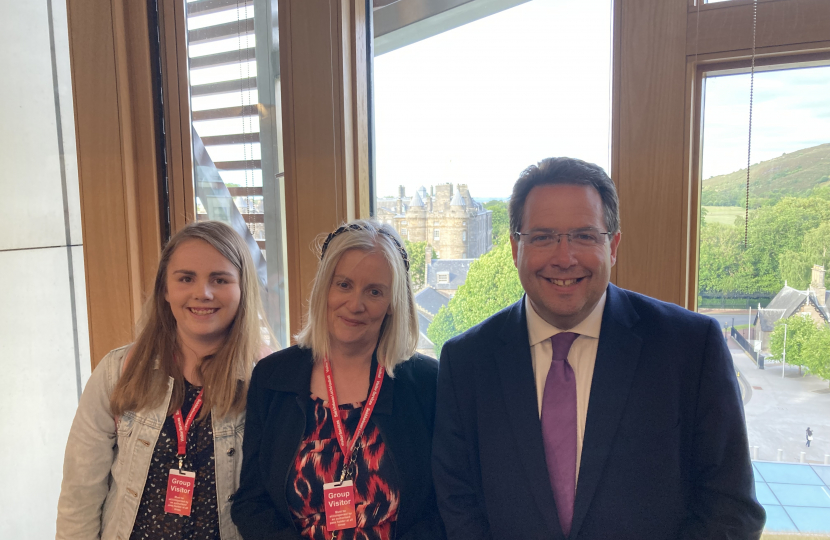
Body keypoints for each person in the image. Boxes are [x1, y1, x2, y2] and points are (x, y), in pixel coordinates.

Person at [432, 157, 766, 540]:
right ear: (514, 248)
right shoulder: (466, 362)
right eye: (542, 237)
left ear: (613, 247)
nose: (564, 257)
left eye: (584, 236)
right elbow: (458, 506)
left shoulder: (690, 348)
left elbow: (730, 510)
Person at [56, 221, 274, 540]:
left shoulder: (267, 381)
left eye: (220, 279)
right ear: (165, 289)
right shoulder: (118, 372)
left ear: (243, 288)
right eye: (186, 278)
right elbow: (80, 497)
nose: (203, 293)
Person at [232, 220, 445, 540]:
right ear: (324, 288)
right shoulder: (272, 378)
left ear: (392, 304)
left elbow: (442, 507)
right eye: (343, 284)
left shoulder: (428, 384)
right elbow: (251, 503)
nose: (355, 304)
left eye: (374, 291)